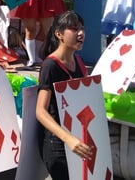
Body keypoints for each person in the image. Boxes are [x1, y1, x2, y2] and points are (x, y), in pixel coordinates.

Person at [35, 10, 92, 180]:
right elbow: (40, 111)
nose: (81, 33)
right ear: (59, 34)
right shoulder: (50, 66)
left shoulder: (80, 63)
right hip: (57, 145)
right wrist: (68, 139)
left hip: (79, 140)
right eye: (74, 29)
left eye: (82, 28)